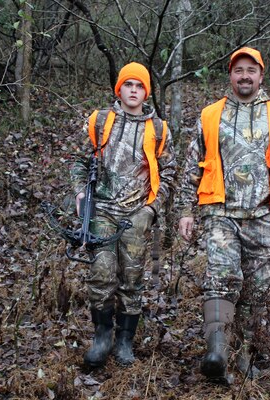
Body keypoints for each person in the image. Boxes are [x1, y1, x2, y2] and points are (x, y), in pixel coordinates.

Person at [178, 47, 270, 381]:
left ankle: (245, 354)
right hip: (220, 213)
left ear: (261, 75)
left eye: (251, 70)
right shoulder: (210, 115)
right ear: (230, 76)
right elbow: (192, 165)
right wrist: (185, 211)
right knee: (222, 278)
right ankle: (217, 352)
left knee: (257, 290)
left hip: (265, 218)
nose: (245, 76)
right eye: (238, 70)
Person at [70, 62, 177, 368]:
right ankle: (102, 336)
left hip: (135, 216)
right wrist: (80, 194)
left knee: (131, 279)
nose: (133, 90)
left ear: (146, 92)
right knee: (101, 272)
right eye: (128, 85)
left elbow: (169, 174)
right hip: (102, 211)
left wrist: (151, 210)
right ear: (119, 89)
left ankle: (125, 341)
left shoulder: (158, 130)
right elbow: (80, 161)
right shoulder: (101, 121)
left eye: (139, 86)